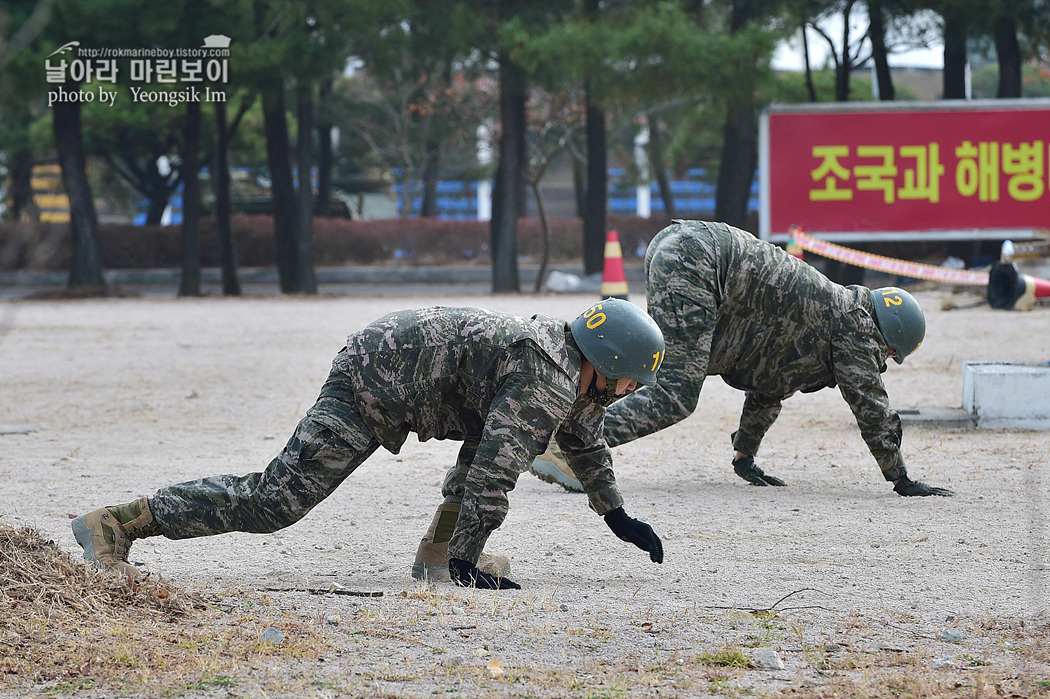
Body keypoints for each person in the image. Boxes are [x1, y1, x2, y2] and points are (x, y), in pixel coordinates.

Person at [73, 300, 667, 590]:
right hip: (372, 382)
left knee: (483, 450)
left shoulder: (574, 364)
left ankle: (437, 556)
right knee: (274, 501)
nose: (635, 388)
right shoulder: (546, 377)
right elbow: (495, 474)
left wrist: (616, 514)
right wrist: (470, 559)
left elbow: (584, 442)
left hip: (409, 374)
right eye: (634, 378)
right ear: (608, 362)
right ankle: (117, 524)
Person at [530, 220, 953, 498]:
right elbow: (870, 402)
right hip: (701, 261)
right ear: (887, 336)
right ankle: (570, 447)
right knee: (675, 394)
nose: (881, 363)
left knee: (645, 375)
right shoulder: (856, 324)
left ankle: (555, 430)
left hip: (684, 248)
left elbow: (770, 386)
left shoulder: (827, 323)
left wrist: (745, 458)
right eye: (889, 355)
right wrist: (900, 477)